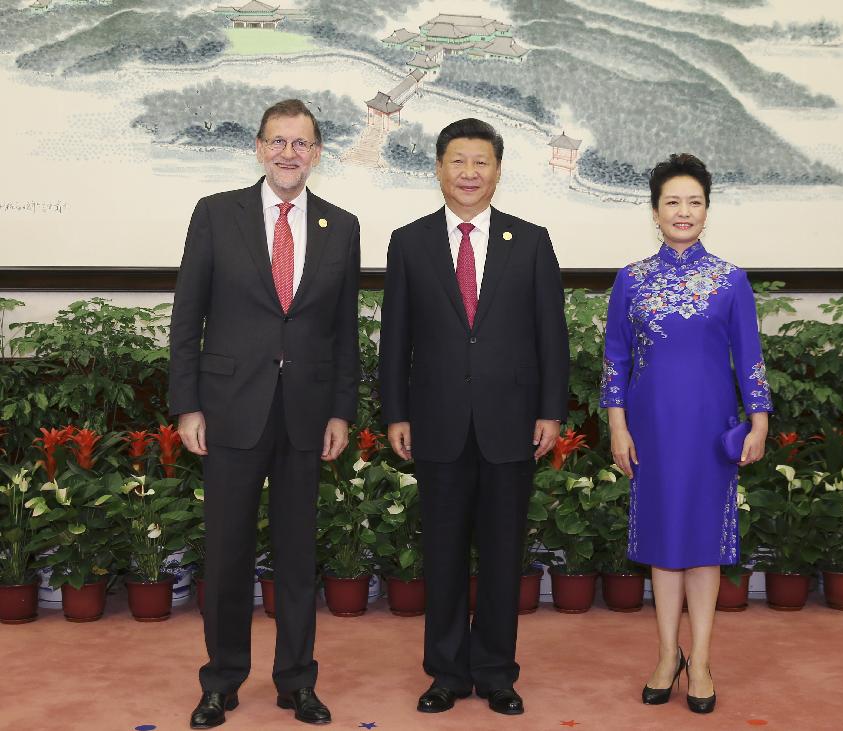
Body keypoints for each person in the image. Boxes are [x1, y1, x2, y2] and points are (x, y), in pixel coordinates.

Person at [169, 99, 360, 728]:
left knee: (298, 555)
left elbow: (342, 332)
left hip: (306, 413)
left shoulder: (342, 225)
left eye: (301, 143)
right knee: (226, 553)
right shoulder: (216, 214)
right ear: (258, 147)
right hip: (228, 410)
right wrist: (188, 402)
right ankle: (221, 681)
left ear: (317, 153)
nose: (288, 153)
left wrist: (340, 411)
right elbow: (187, 316)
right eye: (278, 141)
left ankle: (296, 682)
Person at [379, 118, 569, 717]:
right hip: (435, 422)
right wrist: (396, 413)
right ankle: (446, 673)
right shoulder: (409, 242)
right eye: (457, 161)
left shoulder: (531, 241)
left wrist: (550, 411)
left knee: (502, 551)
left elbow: (551, 338)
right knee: (442, 552)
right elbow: (395, 339)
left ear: (497, 170)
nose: (468, 173)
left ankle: (496, 673)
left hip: (511, 422)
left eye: (480, 162)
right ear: (438, 169)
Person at [600, 153, 772, 714]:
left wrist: (760, 420)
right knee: (662, 545)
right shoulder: (631, 280)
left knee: (703, 548)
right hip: (650, 431)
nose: (683, 211)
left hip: (709, 430)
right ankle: (664, 656)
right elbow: (615, 362)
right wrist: (617, 427)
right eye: (672, 201)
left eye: (693, 202)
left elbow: (750, 357)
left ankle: (699, 660)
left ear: (706, 210)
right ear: (654, 211)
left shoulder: (730, 279)